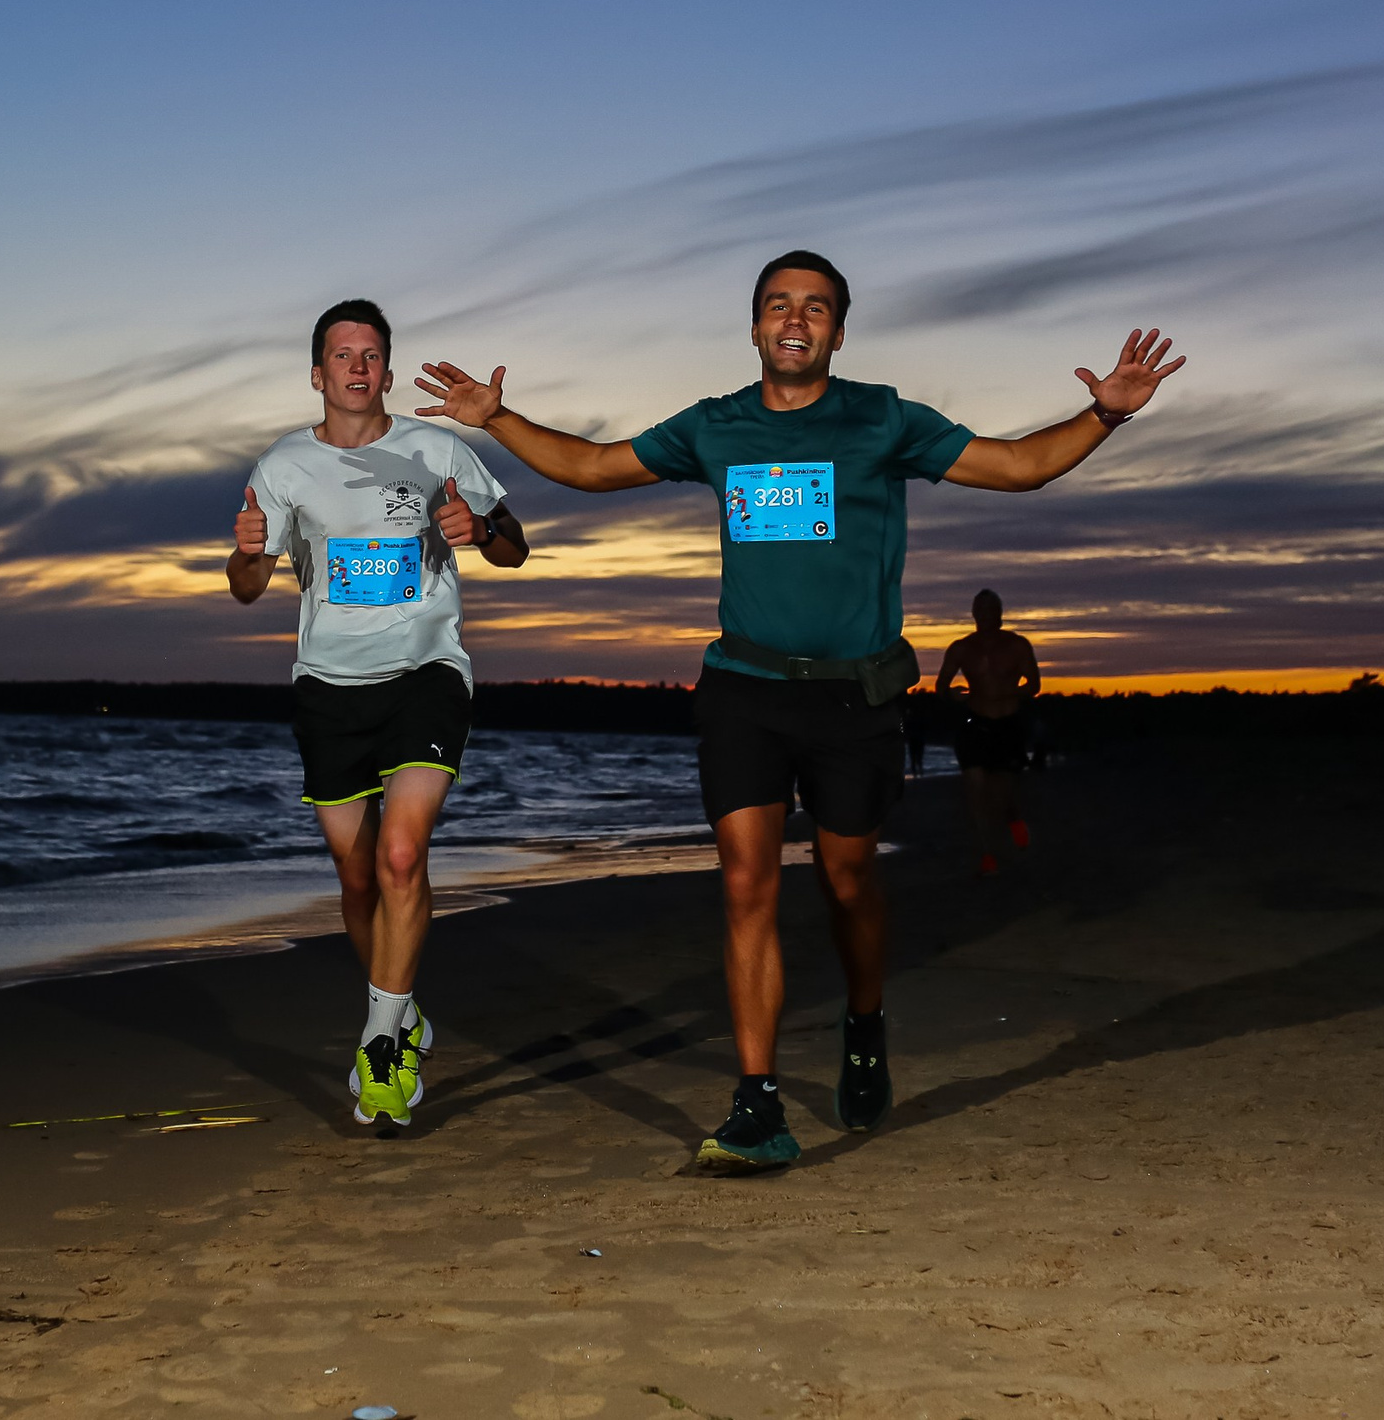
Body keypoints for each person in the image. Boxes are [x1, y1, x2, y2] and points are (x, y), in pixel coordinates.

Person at [415, 251, 1182, 1169]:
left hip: (855, 695)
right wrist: (495, 415)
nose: (795, 317)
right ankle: (757, 1103)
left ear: (838, 332)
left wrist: (1104, 414)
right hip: (744, 687)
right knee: (748, 883)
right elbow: (589, 465)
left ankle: (865, 1025)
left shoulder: (883, 418)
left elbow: (1018, 467)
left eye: (815, 306)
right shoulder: (716, 426)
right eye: (778, 303)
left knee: (850, 880)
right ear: (753, 328)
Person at [230, 299, 530, 1130]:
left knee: (402, 854)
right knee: (359, 877)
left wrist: (480, 528)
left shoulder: (436, 449)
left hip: (425, 671)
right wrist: (249, 551)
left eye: (371, 355)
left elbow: (513, 544)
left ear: (387, 373)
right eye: (342, 354)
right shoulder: (284, 466)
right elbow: (248, 584)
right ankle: (401, 1010)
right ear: (318, 373)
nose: (357, 367)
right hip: (327, 684)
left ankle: (380, 1044)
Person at [935, 589, 1042, 875]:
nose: (985, 613)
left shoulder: (1017, 645)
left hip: (1007, 725)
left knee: (1001, 793)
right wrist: (952, 694)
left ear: (1000, 612)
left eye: (990, 607)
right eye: (980, 608)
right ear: (972, 613)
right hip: (975, 723)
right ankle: (987, 853)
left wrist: (1013, 692)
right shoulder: (961, 648)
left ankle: (1013, 817)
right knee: (975, 788)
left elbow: (1034, 685)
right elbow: (941, 685)